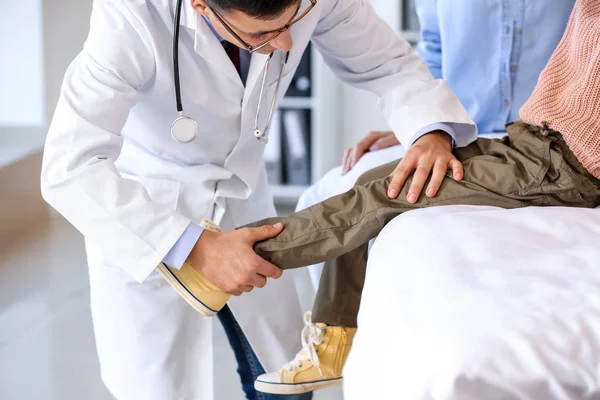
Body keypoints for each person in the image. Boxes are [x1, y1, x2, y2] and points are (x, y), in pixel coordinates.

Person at [157, 0, 600, 394]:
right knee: (373, 178)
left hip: (562, 164)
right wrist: (426, 128)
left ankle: (227, 259)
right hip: (526, 137)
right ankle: (334, 339)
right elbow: (424, 57)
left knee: (383, 197)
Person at [40, 0, 477, 398]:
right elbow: (70, 166)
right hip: (149, 210)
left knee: (284, 376)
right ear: (201, 6)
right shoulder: (130, 16)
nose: (285, 43)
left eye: (293, 21)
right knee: (160, 385)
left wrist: (430, 130)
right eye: (259, 36)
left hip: (243, 192)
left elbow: (389, 64)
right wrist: (192, 245)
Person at [298, 0, 576, 289]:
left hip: (549, 143)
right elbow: (433, 45)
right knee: (336, 190)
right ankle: (333, 331)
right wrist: (421, 125)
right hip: (458, 131)